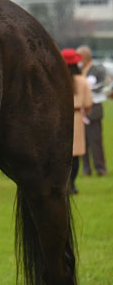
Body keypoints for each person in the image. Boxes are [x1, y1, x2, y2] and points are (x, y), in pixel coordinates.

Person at [61, 48, 93, 195]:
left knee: (61, 154)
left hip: (59, 116)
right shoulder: (82, 81)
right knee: (75, 155)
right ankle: (72, 184)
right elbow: (88, 104)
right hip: (76, 118)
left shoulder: (58, 79)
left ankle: (62, 183)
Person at [76, 45, 108, 176]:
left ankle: (100, 168)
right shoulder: (78, 71)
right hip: (80, 112)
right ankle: (86, 169)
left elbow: (100, 87)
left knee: (95, 141)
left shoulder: (97, 70)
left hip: (93, 111)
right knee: (83, 143)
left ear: (84, 57)